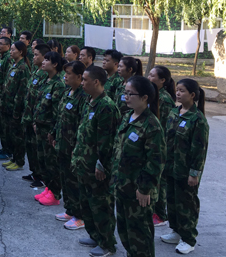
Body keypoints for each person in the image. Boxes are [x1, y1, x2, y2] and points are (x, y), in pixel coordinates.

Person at [113, 76, 166, 257]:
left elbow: (156, 161)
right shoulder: (128, 116)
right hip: (122, 186)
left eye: (130, 94)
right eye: (125, 93)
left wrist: (144, 189)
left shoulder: (152, 125)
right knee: (126, 233)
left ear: (144, 98)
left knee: (140, 238)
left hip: (138, 191)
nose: (126, 97)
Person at [71, 65, 120, 257]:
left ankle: (107, 243)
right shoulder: (89, 101)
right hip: (84, 163)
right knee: (87, 203)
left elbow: (107, 140)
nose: (82, 83)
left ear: (96, 82)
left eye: (85, 80)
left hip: (97, 167)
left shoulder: (106, 106)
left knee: (101, 205)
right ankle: (95, 235)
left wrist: (101, 164)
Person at [160, 79, 209, 255]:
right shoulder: (174, 112)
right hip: (170, 167)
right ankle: (176, 231)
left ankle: (188, 238)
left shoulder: (198, 119)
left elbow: (200, 149)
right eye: (177, 90)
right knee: (172, 200)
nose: (178, 93)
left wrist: (194, 173)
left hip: (186, 171)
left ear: (192, 95)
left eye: (182, 91)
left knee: (187, 204)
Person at [53, 60, 88, 229]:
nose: (65, 77)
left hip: (73, 146)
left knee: (75, 182)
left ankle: (80, 215)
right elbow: (60, 116)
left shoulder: (83, 97)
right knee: (65, 179)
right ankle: (70, 209)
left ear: (79, 77)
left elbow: (82, 125)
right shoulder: (68, 92)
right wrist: (54, 134)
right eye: (65, 73)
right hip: (62, 144)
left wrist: (77, 148)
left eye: (69, 74)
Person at [32, 51, 66, 206]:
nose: (43, 62)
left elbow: (57, 111)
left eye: (47, 60)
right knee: (43, 161)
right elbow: (39, 103)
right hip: (40, 126)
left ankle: (55, 194)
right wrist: (35, 121)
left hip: (49, 129)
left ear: (55, 64)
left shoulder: (58, 84)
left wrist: (53, 132)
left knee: (51, 162)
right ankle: (48, 188)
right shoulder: (46, 80)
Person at [148, 65, 177, 227]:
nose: (149, 78)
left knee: (160, 180)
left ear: (162, 80)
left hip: (161, 145)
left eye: (152, 75)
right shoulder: (154, 95)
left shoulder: (164, 100)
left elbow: (164, 126)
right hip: (153, 143)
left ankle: (160, 214)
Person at [21, 44, 50, 187]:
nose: (34, 57)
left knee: (38, 149)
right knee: (30, 147)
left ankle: (42, 176)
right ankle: (35, 172)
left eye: (37, 55)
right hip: (29, 115)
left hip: (36, 118)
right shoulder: (36, 71)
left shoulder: (45, 75)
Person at [0, 41, 30, 171]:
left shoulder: (23, 68)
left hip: (15, 108)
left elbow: (21, 91)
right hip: (8, 105)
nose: (11, 52)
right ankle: (14, 158)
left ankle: (19, 161)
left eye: (13, 50)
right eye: (10, 49)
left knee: (18, 136)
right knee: (11, 134)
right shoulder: (14, 65)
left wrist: (17, 110)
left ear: (21, 52)